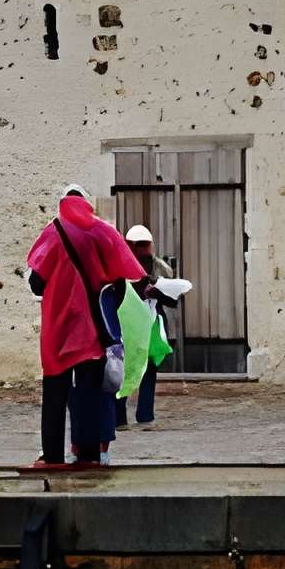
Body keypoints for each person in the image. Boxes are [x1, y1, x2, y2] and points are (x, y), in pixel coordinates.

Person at [25, 186, 142, 471]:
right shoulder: (102, 233)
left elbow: (36, 283)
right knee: (89, 394)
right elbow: (120, 284)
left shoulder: (53, 233)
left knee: (55, 394)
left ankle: (53, 455)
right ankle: (89, 454)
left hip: (59, 331)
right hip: (91, 333)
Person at [115, 225, 177, 429]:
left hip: (149, 324)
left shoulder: (160, 268)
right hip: (129, 324)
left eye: (143, 245)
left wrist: (156, 292)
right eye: (137, 245)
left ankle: (142, 415)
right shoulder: (120, 266)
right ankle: (124, 417)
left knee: (146, 369)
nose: (140, 249)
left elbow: (173, 300)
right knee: (127, 369)